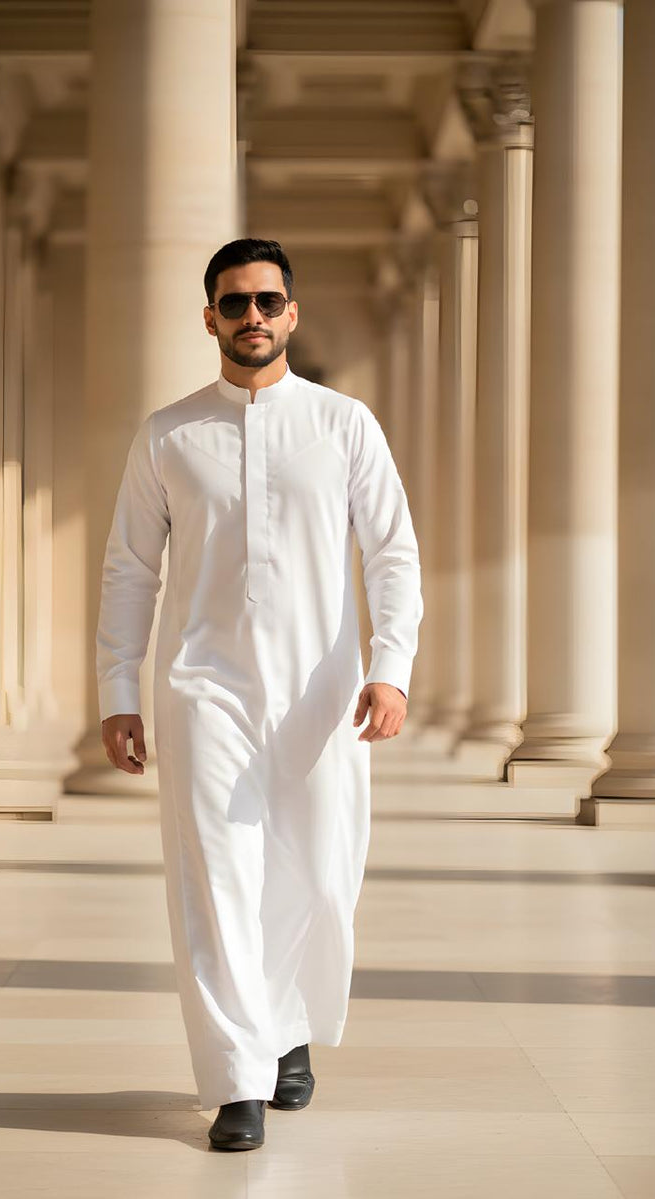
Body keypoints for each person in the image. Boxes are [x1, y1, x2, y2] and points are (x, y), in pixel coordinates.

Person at [96, 238, 423, 1151]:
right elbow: (130, 570)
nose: (253, 316)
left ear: (292, 313)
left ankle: (287, 1027)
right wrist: (119, 687)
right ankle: (237, 1077)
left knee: (317, 874)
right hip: (203, 689)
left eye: (268, 301)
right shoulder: (168, 433)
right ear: (210, 318)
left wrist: (391, 665)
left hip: (323, 693)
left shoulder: (344, 424)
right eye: (235, 303)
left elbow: (392, 553)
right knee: (217, 878)